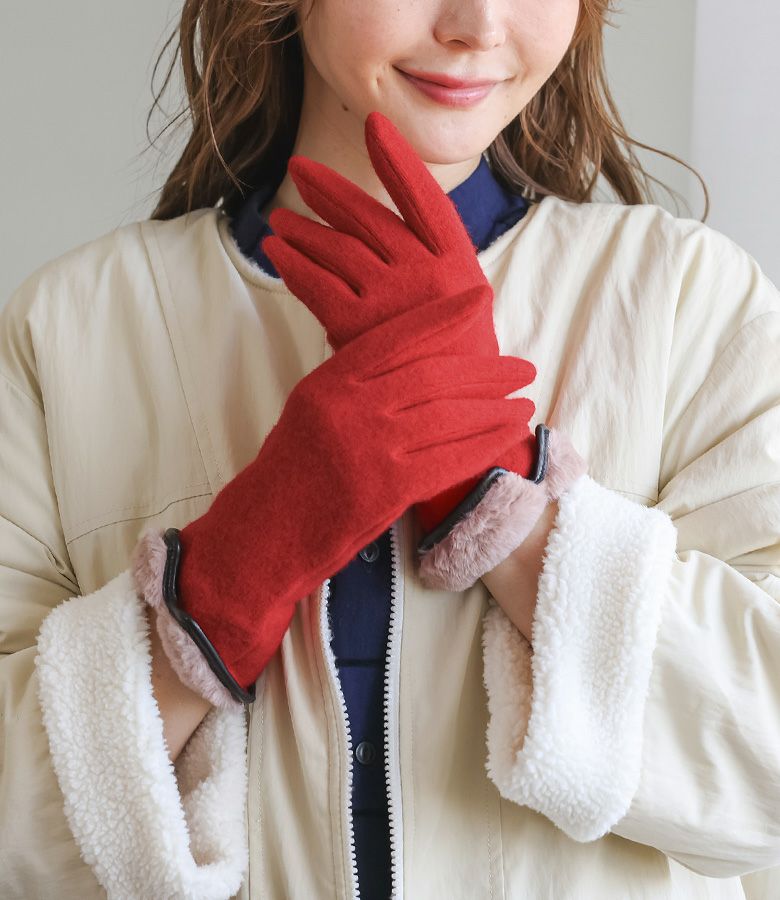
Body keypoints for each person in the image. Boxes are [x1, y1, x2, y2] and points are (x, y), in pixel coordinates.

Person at [1, 0, 778, 898]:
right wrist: (230, 577)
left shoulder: (688, 301)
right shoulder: (71, 326)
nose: (479, 24)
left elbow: (762, 778)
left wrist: (497, 500)